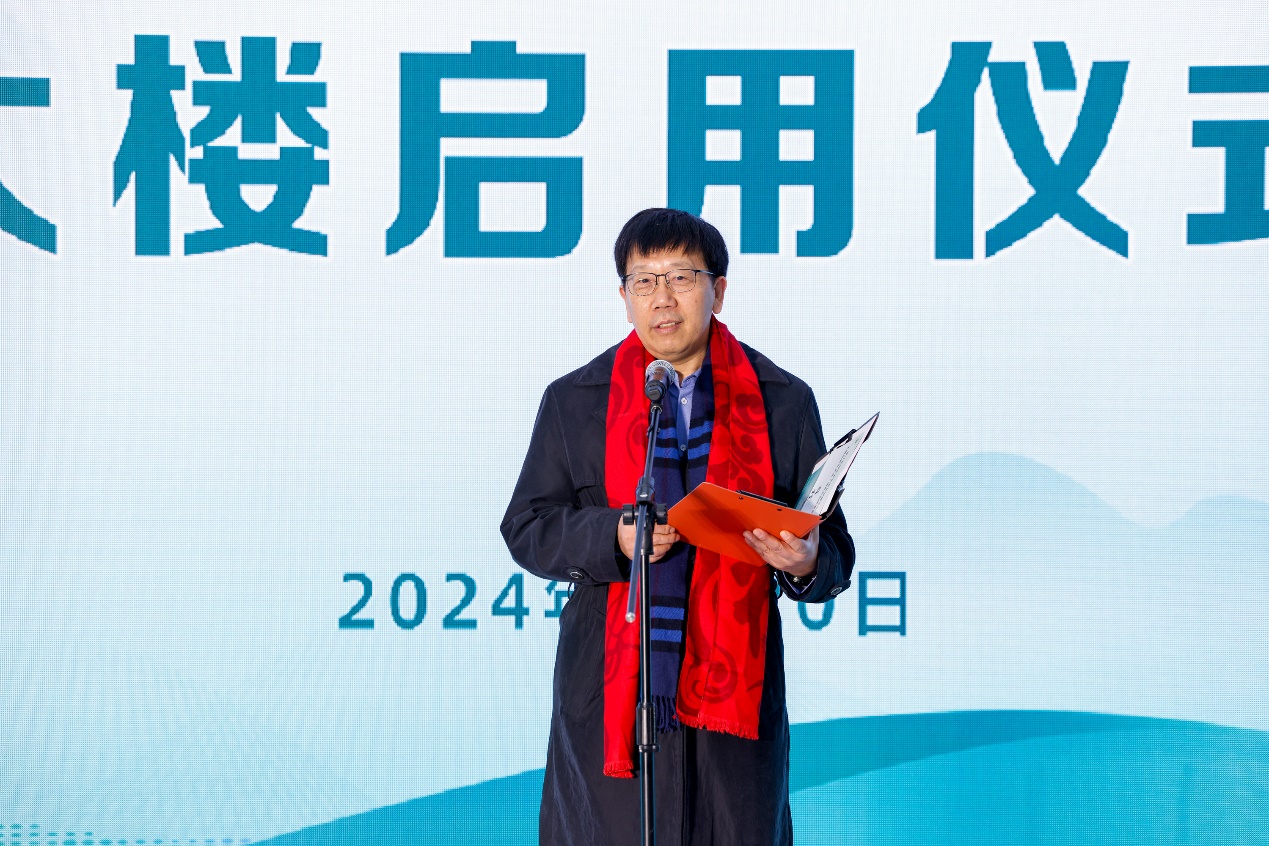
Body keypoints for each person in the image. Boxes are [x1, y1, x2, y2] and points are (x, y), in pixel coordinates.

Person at [501, 208, 854, 846]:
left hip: (733, 699)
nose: (662, 298)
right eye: (644, 281)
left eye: (681, 277)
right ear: (624, 296)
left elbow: (832, 550)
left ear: (718, 289)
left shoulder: (781, 398)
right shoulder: (576, 400)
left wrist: (805, 563)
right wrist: (614, 537)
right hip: (613, 687)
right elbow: (528, 526)